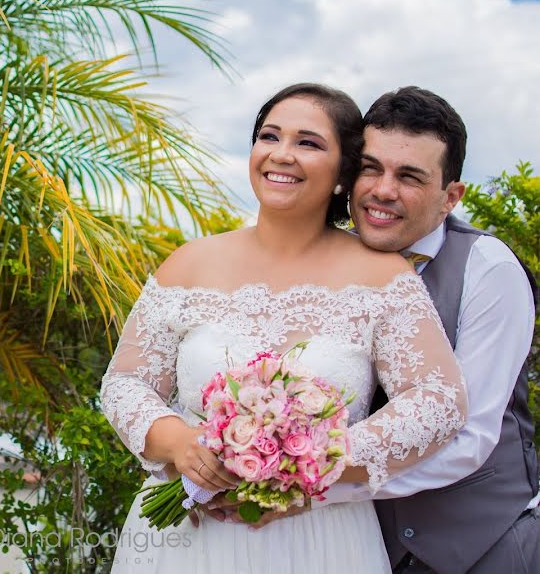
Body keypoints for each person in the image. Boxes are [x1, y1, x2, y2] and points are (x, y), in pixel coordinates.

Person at [99, 83, 468, 574]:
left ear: (343, 173)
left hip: (319, 541)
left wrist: (310, 461)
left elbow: (439, 400)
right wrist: (175, 441)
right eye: (269, 136)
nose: (282, 154)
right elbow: (125, 382)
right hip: (185, 535)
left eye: (308, 143)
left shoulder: (382, 278)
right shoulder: (187, 264)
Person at [344, 87, 538, 573]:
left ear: (451, 196)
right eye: (371, 168)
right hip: (360, 546)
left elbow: (470, 436)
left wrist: (312, 481)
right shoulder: (326, 264)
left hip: (485, 545)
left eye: (409, 176)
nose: (383, 191)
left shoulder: (488, 267)